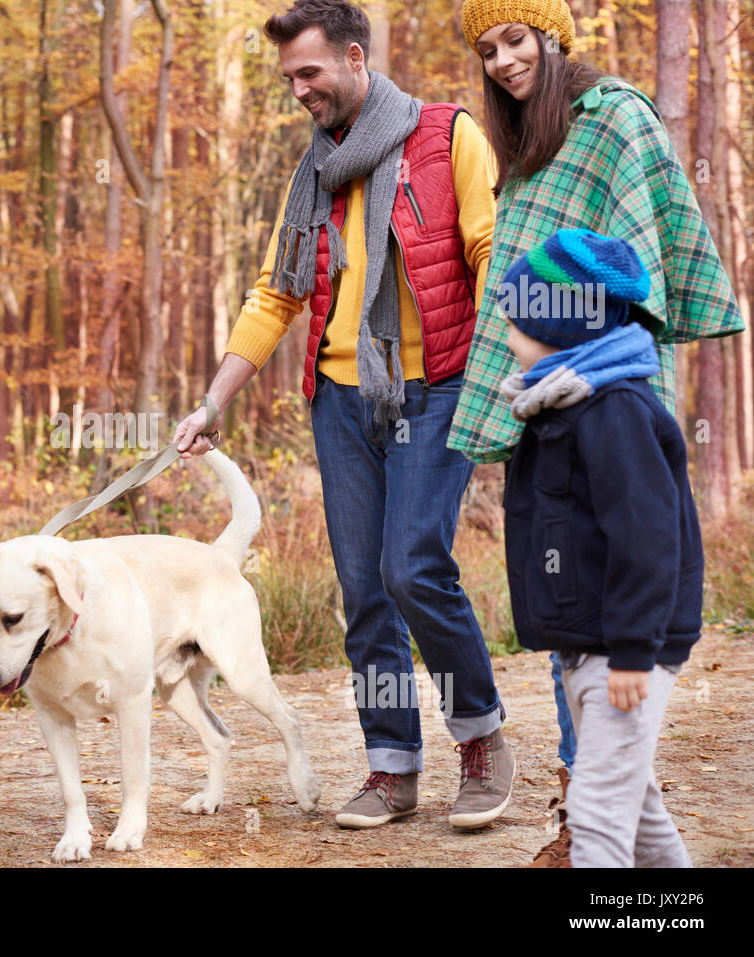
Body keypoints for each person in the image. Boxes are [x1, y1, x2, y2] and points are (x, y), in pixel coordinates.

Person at [175, 0, 513, 830]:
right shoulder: (315, 171)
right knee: (364, 589)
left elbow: (488, 249)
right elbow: (277, 293)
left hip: (436, 387)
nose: (298, 90)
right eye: (289, 77)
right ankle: (391, 764)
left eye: (310, 72)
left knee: (413, 568)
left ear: (356, 59)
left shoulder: (447, 135)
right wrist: (214, 400)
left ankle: (481, 738)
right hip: (340, 401)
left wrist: (512, 363)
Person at [456, 0, 743, 864]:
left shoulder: (613, 116)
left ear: (552, 34)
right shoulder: (523, 142)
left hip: (606, 371)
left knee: (613, 534)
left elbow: (644, 247)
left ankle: (583, 817)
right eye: (487, 49)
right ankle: (588, 801)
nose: (503, 61)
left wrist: (634, 653)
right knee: (568, 550)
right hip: (553, 380)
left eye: (516, 39)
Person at [498, 228, 699, 867]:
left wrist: (636, 651)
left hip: (625, 651)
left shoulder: (615, 411)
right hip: (589, 644)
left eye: (517, 319)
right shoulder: (562, 406)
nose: (507, 333)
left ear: (559, 325)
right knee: (636, 813)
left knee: (597, 813)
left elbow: (647, 536)